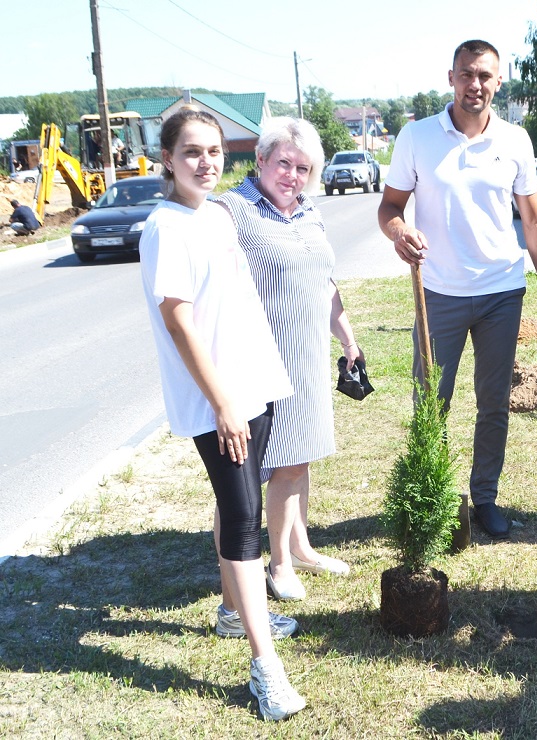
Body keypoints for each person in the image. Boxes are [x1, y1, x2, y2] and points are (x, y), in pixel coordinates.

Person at [138, 107, 305, 720]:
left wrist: (253, 386)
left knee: (238, 500)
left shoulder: (217, 215)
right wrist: (222, 402)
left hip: (247, 385)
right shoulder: (166, 226)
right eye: (191, 153)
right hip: (217, 398)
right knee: (243, 517)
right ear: (167, 161)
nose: (206, 162)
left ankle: (235, 612)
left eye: (213, 151)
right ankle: (267, 670)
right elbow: (177, 320)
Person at [377, 39, 537, 540]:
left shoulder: (515, 140)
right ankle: (431, 497)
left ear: (498, 82)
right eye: (466, 74)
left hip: (502, 292)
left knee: (494, 402)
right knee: (430, 400)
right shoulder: (417, 138)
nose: (474, 84)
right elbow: (389, 208)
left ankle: (485, 499)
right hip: (438, 293)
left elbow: (534, 219)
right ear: (451, 78)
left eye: (484, 76)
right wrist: (399, 234)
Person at [217, 118, 361, 601]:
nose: (292, 175)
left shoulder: (309, 213)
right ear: (259, 160)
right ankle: (277, 565)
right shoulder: (231, 211)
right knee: (279, 464)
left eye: (303, 168)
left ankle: (299, 546)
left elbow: (324, 282)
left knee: (301, 457)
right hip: (262, 361)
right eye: (283, 163)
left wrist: (346, 336)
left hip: (308, 357)